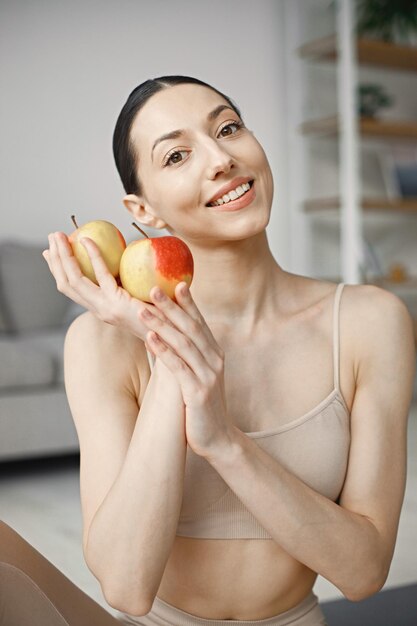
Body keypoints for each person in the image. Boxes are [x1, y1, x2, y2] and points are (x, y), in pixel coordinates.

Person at [1, 75, 415, 626]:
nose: (220, 157)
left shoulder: (370, 321)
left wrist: (223, 440)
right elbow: (125, 588)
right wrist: (169, 352)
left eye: (228, 127)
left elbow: (363, 573)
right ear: (142, 211)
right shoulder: (103, 340)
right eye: (176, 155)